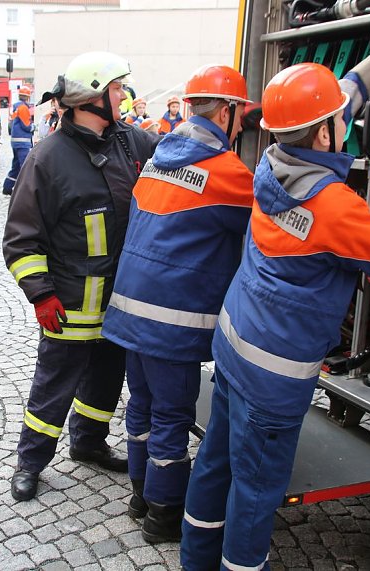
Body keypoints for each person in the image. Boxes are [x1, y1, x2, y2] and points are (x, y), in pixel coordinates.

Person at [180, 30, 370, 571]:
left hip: (235, 350)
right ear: (323, 136)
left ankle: (196, 560)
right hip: (275, 379)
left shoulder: (270, 165)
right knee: (255, 492)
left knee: (215, 465)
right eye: (341, 121)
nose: (349, 124)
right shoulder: (334, 206)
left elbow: (338, 99)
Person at [102, 64, 254, 544]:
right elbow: (264, 224)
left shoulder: (160, 153)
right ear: (226, 112)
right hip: (171, 321)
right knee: (171, 416)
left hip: (130, 309)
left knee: (141, 406)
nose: (245, 124)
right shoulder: (227, 172)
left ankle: (141, 494)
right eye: (241, 115)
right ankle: (164, 514)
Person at [3, 51, 160, 502]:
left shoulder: (128, 142)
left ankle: (89, 443)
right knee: (53, 388)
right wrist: (40, 295)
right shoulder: (47, 158)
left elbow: (177, 154)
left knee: (106, 381)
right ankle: (30, 462)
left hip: (118, 303)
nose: (124, 96)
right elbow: (19, 239)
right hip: (70, 306)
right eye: (116, 89)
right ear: (91, 98)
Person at [2, 85, 34, 196]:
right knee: (24, 167)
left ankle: (7, 187)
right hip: (23, 142)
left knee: (16, 166)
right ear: (28, 97)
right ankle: (25, 191)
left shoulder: (16, 107)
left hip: (15, 142)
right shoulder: (23, 108)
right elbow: (26, 125)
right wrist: (33, 127)